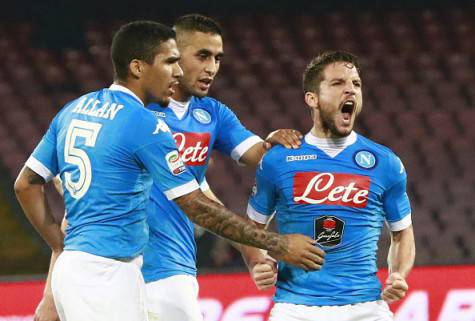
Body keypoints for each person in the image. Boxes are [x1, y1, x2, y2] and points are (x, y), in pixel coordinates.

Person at [14, 21, 325, 321]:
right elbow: (195, 205)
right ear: (140, 66)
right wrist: (278, 244)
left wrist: (59, 250)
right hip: (111, 269)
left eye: (217, 58)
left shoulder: (77, 109)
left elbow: (30, 186)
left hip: (116, 267)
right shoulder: (143, 122)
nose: (181, 71)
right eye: (174, 61)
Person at [141, 14, 301, 321]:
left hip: (172, 265)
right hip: (121, 264)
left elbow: (258, 158)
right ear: (173, 56)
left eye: (217, 58)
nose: (212, 67)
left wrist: (276, 143)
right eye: (202, 56)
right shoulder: (137, 109)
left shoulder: (212, 114)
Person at [247, 51, 416, 321]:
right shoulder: (278, 161)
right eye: (338, 83)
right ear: (311, 98)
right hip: (295, 309)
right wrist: (258, 261)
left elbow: (402, 232)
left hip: (366, 307)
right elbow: (253, 228)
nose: (350, 90)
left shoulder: (385, 162)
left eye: (356, 84)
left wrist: (398, 273)